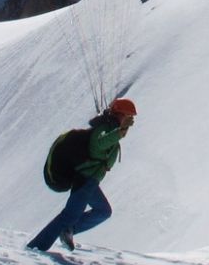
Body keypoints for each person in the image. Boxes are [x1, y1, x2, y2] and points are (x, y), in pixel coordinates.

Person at [27, 98, 137, 252]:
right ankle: (36, 247)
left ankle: (68, 230)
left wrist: (119, 132)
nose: (131, 120)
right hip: (85, 180)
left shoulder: (111, 129)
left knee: (103, 211)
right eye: (129, 116)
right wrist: (119, 133)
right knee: (69, 215)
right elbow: (98, 145)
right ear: (121, 114)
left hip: (91, 181)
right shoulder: (105, 128)